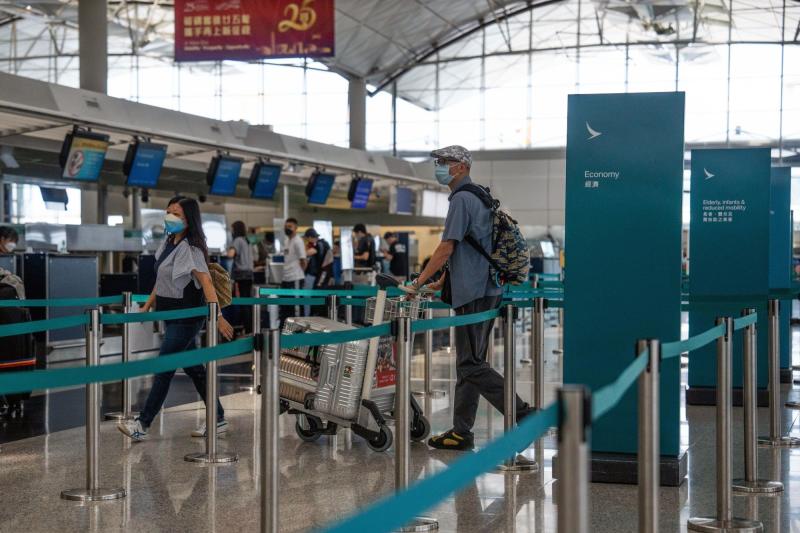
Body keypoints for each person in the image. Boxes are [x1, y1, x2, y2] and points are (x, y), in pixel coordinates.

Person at [406, 145, 532, 451]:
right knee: (470, 362)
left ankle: (523, 413)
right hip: (486, 288)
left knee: (471, 365)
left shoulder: (462, 199)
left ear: (461, 167)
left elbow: (447, 247)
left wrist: (417, 282)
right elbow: (472, 246)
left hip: (474, 293)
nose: (438, 166)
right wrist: (441, 282)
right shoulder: (479, 195)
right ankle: (461, 431)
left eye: (444, 162)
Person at [118, 196, 234, 442]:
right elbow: (162, 281)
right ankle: (219, 418)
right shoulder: (167, 243)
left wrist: (219, 316)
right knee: (195, 369)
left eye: (177, 214)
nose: (170, 217)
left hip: (187, 317)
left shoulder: (191, 249)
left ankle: (143, 423)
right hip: (171, 316)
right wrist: (148, 306)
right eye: (168, 212)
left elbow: (206, 283)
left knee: (164, 368)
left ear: (188, 219)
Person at [228, 221, 254, 331]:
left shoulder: (237, 240)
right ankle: (250, 329)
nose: (231, 232)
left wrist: (228, 250)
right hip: (249, 275)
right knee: (247, 303)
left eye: (232, 229)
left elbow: (231, 255)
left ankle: (246, 329)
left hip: (241, 276)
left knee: (242, 303)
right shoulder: (247, 240)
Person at [280, 217, 307, 323]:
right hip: (286, 278)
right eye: (286, 226)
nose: (287, 228)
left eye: (290, 227)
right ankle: (288, 330)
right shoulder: (287, 240)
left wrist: (299, 273)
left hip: (295, 278)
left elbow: (303, 260)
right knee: (287, 307)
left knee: (296, 307)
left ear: (296, 228)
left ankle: (299, 330)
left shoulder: (298, 241)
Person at [303, 228, 333, 315]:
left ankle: (307, 316)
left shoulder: (319, 245)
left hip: (314, 275)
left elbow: (308, 253)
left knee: (307, 296)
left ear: (310, 237)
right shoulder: (324, 244)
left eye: (306, 238)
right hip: (323, 275)